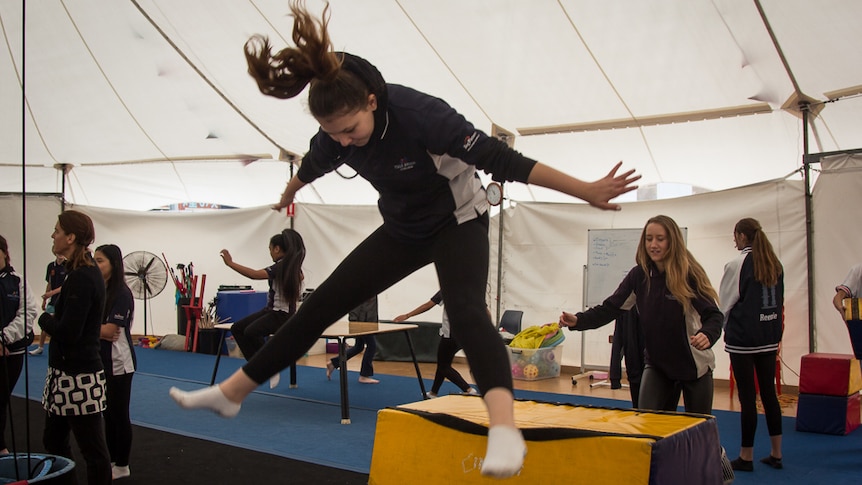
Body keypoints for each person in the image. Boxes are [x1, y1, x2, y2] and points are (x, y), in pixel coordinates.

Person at [168, 1, 638, 478]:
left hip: (458, 221)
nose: (345, 142)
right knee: (321, 304)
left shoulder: (422, 115)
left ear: (372, 99)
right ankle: (232, 394)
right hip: (402, 229)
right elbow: (315, 162)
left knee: (467, 311)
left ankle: (504, 431)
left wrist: (585, 190)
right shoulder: (335, 133)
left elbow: (504, 160)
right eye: (335, 134)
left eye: (350, 130)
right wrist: (291, 187)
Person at [559, 215, 723, 415]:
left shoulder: (688, 275)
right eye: (648, 238)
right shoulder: (639, 276)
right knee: (646, 423)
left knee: (698, 428)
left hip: (694, 366)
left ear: (672, 241)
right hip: (657, 365)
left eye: (660, 239)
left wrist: (708, 333)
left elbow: (713, 315)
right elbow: (610, 308)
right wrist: (578, 320)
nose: (653, 244)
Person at [38, 210, 112, 485]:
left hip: (78, 377)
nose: (53, 235)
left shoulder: (83, 276)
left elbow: (69, 332)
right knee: (54, 439)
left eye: (57, 230)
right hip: (65, 373)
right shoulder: (76, 272)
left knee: (92, 450)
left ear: (70, 237)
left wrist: (42, 316)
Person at [718, 218, 784, 472]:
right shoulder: (774, 263)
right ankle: (776, 453)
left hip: (744, 338)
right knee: (769, 394)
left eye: (735, 235)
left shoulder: (737, 263)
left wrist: (719, 329)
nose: (734, 240)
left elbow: (725, 302)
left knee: (748, 397)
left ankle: (746, 456)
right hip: (768, 336)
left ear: (742, 236)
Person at [220, 229, 306, 388]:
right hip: (271, 310)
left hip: (281, 315)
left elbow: (254, 275)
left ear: (277, 249)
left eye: (270, 249)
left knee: (251, 332)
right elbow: (301, 276)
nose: (270, 253)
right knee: (237, 328)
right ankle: (258, 367)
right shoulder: (290, 266)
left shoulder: (281, 266)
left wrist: (231, 263)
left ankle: (269, 366)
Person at [94, 244, 137, 480]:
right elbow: (99, 329)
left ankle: (122, 464)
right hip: (99, 359)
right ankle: (112, 459)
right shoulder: (100, 289)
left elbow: (111, 330)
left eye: (100, 261)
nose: (95, 265)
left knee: (119, 414)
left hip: (119, 362)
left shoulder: (121, 293)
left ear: (114, 264)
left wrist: (85, 327)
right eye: (94, 260)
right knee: (107, 414)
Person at [393, 291, 479, 397]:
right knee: (443, 363)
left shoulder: (447, 290)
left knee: (443, 366)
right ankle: (434, 392)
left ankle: (468, 389)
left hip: (451, 335)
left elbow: (428, 305)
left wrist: (407, 315)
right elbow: (485, 311)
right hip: (466, 334)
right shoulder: (472, 290)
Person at [0, 234, 38, 455]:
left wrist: (3, 338)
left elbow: (27, 313)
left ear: (5, 253)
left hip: (11, 352)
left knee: (1, 399)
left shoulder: (17, 281)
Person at [327, 296, 380, 384]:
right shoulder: (362, 287)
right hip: (362, 323)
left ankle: (334, 362)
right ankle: (364, 376)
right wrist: (354, 322)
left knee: (358, 347)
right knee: (372, 346)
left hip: (368, 322)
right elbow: (354, 304)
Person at [30, 252, 66, 355]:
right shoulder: (51, 266)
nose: (60, 255)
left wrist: (51, 293)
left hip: (63, 301)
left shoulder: (68, 266)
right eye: (59, 253)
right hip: (52, 300)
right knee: (45, 323)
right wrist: (44, 300)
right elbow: (49, 283)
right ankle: (40, 347)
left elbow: (65, 286)